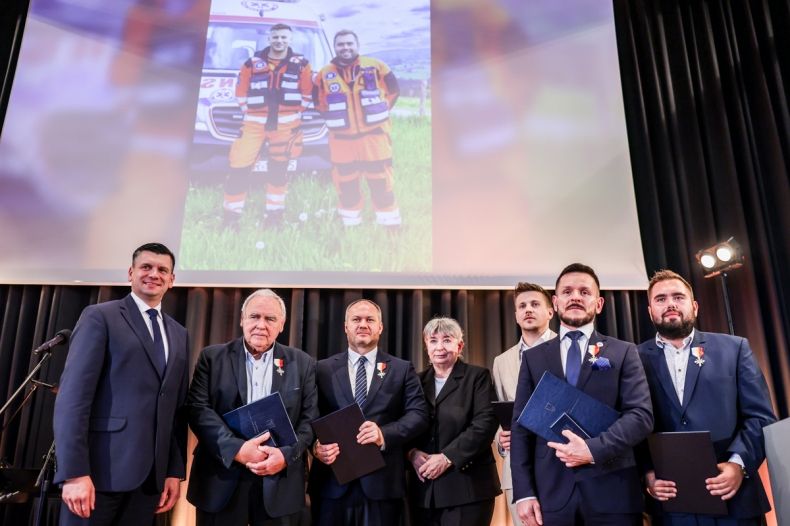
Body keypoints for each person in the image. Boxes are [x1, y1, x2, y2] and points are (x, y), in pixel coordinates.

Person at [53, 243, 189, 525]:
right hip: (97, 475)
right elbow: (73, 400)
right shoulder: (101, 316)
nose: (154, 274)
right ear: (131, 273)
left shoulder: (179, 333)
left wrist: (173, 471)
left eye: (162, 270)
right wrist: (74, 472)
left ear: (172, 280)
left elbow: (176, 409)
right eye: (146, 267)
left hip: (149, 482)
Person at [510, 263, 653, 526]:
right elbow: (520, 428)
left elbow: (641, 416)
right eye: (567, 291)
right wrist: (524, 493)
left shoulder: (623, 352)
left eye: (584, 292)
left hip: (613, 490)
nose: (575, 296)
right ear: (556, 302)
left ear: (598, 304)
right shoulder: (533, 358)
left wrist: (592, 449)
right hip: (550, 496)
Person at [638, 269, 776, 525]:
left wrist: (738, 464)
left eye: (678, 297)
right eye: (661, 299)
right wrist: (647, 474)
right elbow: (631, 423)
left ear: (695, 306)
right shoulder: (632, 358)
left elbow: (760, 417)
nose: (670, 304)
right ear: (650, 311)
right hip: (671, 507)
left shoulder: (735, 349)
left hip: (735, 501)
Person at [186, 288, 318, 525]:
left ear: (282, 324)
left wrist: (286, 456)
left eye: (270, 319)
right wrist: (237, 449)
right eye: (254, 316)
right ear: (242, 319)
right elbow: (198, 409)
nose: (261, 325)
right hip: (220, 480)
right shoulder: (212, 357)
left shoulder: (303, 363)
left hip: (279, 483)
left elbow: (309, 419)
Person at [309, 299, 428, 526]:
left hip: (382, 485)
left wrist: (384, 434)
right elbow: (307, 416)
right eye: (356, 319)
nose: (363, 324)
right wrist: (314, 446)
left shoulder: (402, 369)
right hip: (331, 484)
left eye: (370, 319)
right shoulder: (320, 369)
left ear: (380, 327)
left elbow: (418, 415)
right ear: (345, 327)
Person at [408, 317, 501, 525]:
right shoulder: (415, 381)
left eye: (447, 340)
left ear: (459, 345)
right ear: (426, 345)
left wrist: (447, 457)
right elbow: (403, 422)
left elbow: (485, 424)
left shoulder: (478, 377)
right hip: (423, 491)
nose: (440, 347)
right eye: (433, 341)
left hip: (468, 488)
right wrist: (411, 453)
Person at [223, 23, 313, 229]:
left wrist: (295, 114)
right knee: (238, 169)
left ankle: (274, 217)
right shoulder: (251, 64)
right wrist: (252, 114)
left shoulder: (302, 64)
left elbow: (307, 93)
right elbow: (241, 92)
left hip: (286, 128)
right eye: (275, 37)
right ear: (269, 39)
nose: (279, 41)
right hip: (253, 127)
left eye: (283, 37)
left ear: (290, 40)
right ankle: (230, 219)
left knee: (278, 173)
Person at [314, 30, 401, 228]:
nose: (345, 47)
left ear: (357, 45)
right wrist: (339, 121)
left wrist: (377, 115)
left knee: (381, 184)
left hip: (374, 139)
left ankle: (391, 227)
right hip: (342, 142)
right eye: (340, 44)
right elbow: (318, 103)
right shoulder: (324, 74)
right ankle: (350, 227)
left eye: (349, 43)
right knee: (346, 186)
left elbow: (393, 92)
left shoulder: (377, 67)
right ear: (335, 47)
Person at [492, 282, 557, 524]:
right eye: (522, 306)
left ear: (551, 311)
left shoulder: (567, 350)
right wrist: (500, 438)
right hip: (517, 473)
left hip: (563, 466)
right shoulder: (501, 361)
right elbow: (501, 414)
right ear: (516, 315)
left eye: (535, 304)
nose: (528, 309)